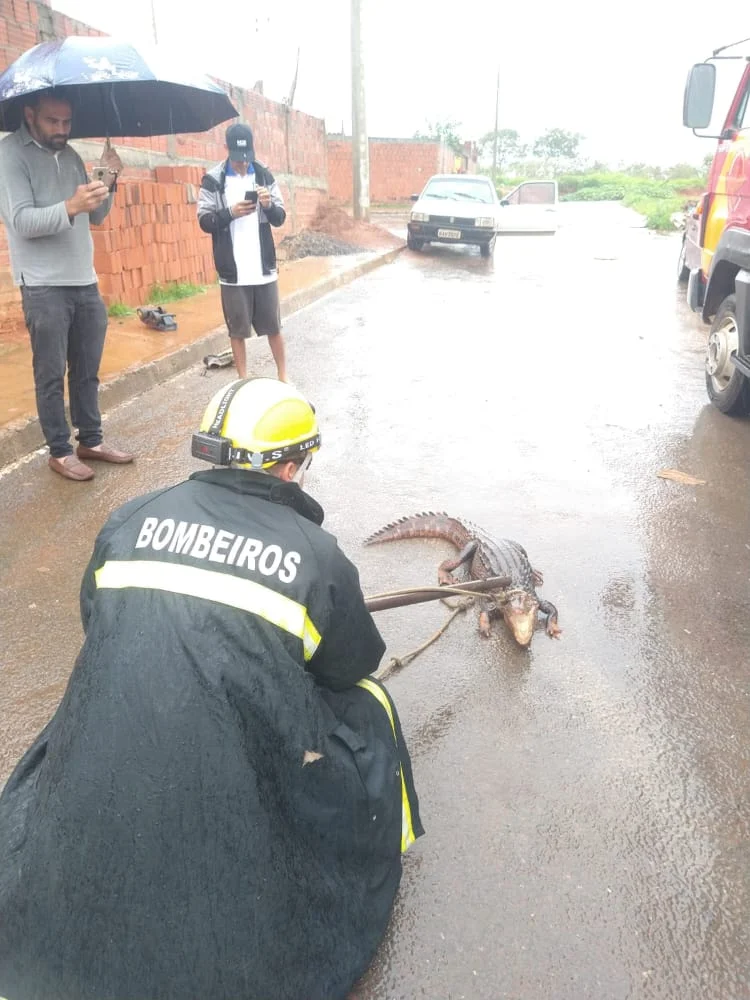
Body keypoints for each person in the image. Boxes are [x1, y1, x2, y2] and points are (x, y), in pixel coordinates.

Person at [0, 377, 423, 1000]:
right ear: (289, 463)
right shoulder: (315, 554)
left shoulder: (131, 518)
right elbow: (348, 667)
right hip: (224, 758)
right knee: (372, 703)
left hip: (117, 731)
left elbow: (98, 622)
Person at [0, 89, 134, 482]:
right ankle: (59, 450)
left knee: (87, 369)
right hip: (43, 285)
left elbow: (97, 216)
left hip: (83, 279)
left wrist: (108, 178)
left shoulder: (73, 156)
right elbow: (21, 222)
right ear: (30, 115)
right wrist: (71, 206)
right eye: (52, 122)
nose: (61, 130)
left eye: (66, 122)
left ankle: (90, 440)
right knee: (50, 372)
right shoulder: (10, 156)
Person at [198, 123, 288, 383]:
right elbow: (204, 220)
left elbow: (280, 218)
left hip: (263, 268)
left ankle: (283, 377)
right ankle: (243, 380)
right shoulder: (213, 180)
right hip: (232, 271)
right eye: (238, 160)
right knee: (237, 331)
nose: (243, 164)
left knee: (274, 327)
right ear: (226, 149)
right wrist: (230, 213)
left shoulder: (263, 175)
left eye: (247, 157)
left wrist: (269, 206)